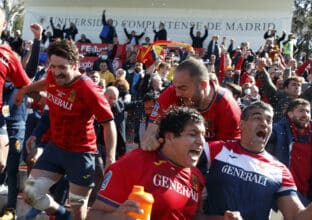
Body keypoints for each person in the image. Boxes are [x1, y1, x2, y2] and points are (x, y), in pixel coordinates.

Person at [14, 40, 117, 220]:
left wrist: (110, 158)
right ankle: (63, 215)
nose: (56, 72)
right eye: (53, 66)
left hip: (81, 154)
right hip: (56, 148)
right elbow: (44, 83)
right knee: (31, 193)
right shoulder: (53, 76)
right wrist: (24, 91)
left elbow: (109, 123)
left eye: (62, 67)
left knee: (78, 208)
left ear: (75, 64)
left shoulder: (88, 89)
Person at [197, 101, 312, 219]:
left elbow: (295, 216)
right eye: (257, 118)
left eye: (269, 120)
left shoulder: (279, 170)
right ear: (242, 124)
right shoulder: (214, 150)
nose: (264, 124)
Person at [87, 106, 206, 220]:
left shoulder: (196, 177)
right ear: (169, 137)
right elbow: (93, 216)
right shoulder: (134, 163)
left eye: (203, 135)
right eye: (192, 134)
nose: (201, 142)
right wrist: (117, 217)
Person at [141, 58, 241, 151]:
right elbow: (152, 126)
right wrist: (150, 137)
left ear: (203, 85)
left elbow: (229, 151)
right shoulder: (172, 92)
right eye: (175, 87)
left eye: (183, 88)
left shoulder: (228, 107)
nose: (177, 93)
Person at [0, 9, 31, 175]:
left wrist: (51, 97)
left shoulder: (7, 55)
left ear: (3, 25)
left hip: (2, 118)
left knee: (1, 162)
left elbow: (26, 84)